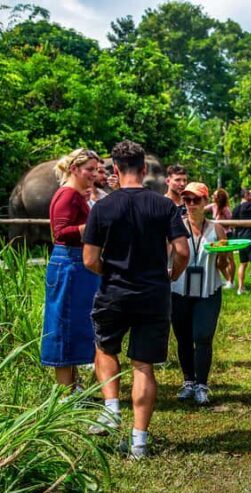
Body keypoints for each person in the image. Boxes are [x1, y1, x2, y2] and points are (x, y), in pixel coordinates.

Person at [83, 140, 190, 459]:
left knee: (105, 347)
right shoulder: (164, 206)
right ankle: (140, 441)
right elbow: (182, 250)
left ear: (114, 170)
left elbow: (89, 259)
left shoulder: (102, 207)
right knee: (143, 365)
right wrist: (171, 273)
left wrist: (111, 272)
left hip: (114, 291)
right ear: (144, 170)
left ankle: (112, 409)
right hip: (153, 294)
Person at [41, 148, 101, 393]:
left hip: (77, 265)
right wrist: (94, 225)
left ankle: (74, 386)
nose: (94, 174)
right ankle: (65, 393)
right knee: (63, 326)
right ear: (74, 169)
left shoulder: (76, 195)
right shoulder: (67, 195)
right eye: (89, 170)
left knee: (75, 325)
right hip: (68, 264)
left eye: (96, 170)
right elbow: (61, 233)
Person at [171, 183, 231, 406]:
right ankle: (188, 381)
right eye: (187, 200)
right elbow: (167, 256)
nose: (192, 204)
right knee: (183, 337)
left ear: (206, 202)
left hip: (208, 290)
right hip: (179, 290)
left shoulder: (216, 229)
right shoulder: (175, 227)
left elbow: (224, 264)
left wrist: (224, 253)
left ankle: (202, 385)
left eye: (196, 200)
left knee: (203, 336)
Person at [207, 188, 234, 288]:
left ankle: (231, 281)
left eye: (214, 195)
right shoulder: (213, 206)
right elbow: (203, 209)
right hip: (217, 235)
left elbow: (230, 221)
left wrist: (221, 224)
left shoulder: (225, 209)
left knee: (230, 258)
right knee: (218, 259)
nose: (212, 197)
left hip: (227, 235)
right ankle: (227, 279)